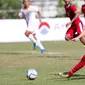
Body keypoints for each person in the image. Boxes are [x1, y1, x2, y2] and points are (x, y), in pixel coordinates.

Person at [58, 2, 85, 78]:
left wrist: (78, 36)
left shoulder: (72, 6)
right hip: (73, 26)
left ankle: (70, 73)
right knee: (83, 60)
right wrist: (77, 37)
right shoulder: (66, 7)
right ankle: (70, 73)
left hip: (76, 24)